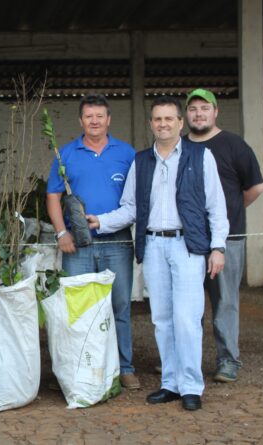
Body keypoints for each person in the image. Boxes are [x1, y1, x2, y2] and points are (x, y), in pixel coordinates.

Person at [87, 96, 229, 411]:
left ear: (181, 122)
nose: (163, 124)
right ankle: (171, 383)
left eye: (169, 119)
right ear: (151, 124)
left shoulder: (200, 156)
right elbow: (131, 209)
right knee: (162, 318)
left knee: (187, 318)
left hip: (188, 246)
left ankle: (191, 386)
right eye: (157, 119)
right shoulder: (142, 161)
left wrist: (217, 247)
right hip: (153, 246)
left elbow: (216, 207)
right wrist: (101, 222)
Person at [46, 93, 140, 390]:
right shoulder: (66, 154)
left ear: (109, 119)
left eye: (100, 116)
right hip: (79, 245)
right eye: (89, 116)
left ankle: (124, 367)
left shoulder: (127, 154)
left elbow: (136, 199)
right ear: (81, 121)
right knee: (79, 307)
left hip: (118, 243)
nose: (95, 121)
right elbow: (52, 196)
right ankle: (81, 367)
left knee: (120, 305)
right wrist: (62, 233)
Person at [185, 88, 263, 383]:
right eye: (193, 109)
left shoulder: (234, 145)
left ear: (215, 112)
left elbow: (255, 187)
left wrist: (228, 211)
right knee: (187, 302)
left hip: (228, 239)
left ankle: (228, 360)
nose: (199, 114)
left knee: (225, 301)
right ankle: (186, 357)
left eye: (204, 108)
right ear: (186, 115)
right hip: (190, 239)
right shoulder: (181, 147)